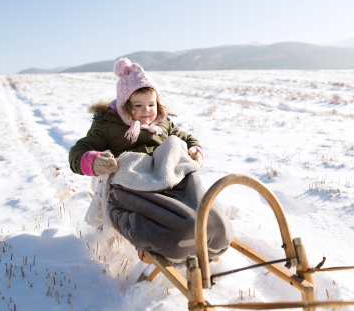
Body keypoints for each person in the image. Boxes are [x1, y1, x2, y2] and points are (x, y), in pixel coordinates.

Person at [69, 58, 233, 264]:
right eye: (138, 105)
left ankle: (214, 228)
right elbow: (78, 151)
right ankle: (152, 231)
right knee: (173, 226)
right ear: (124, 105)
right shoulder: (107, 125)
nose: (146, 111)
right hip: (133, 182)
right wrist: (94, 161)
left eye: (151, 104)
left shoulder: (163, 122)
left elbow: (185, 138)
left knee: (183, 166)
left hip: (170, 176)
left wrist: (193, 149)